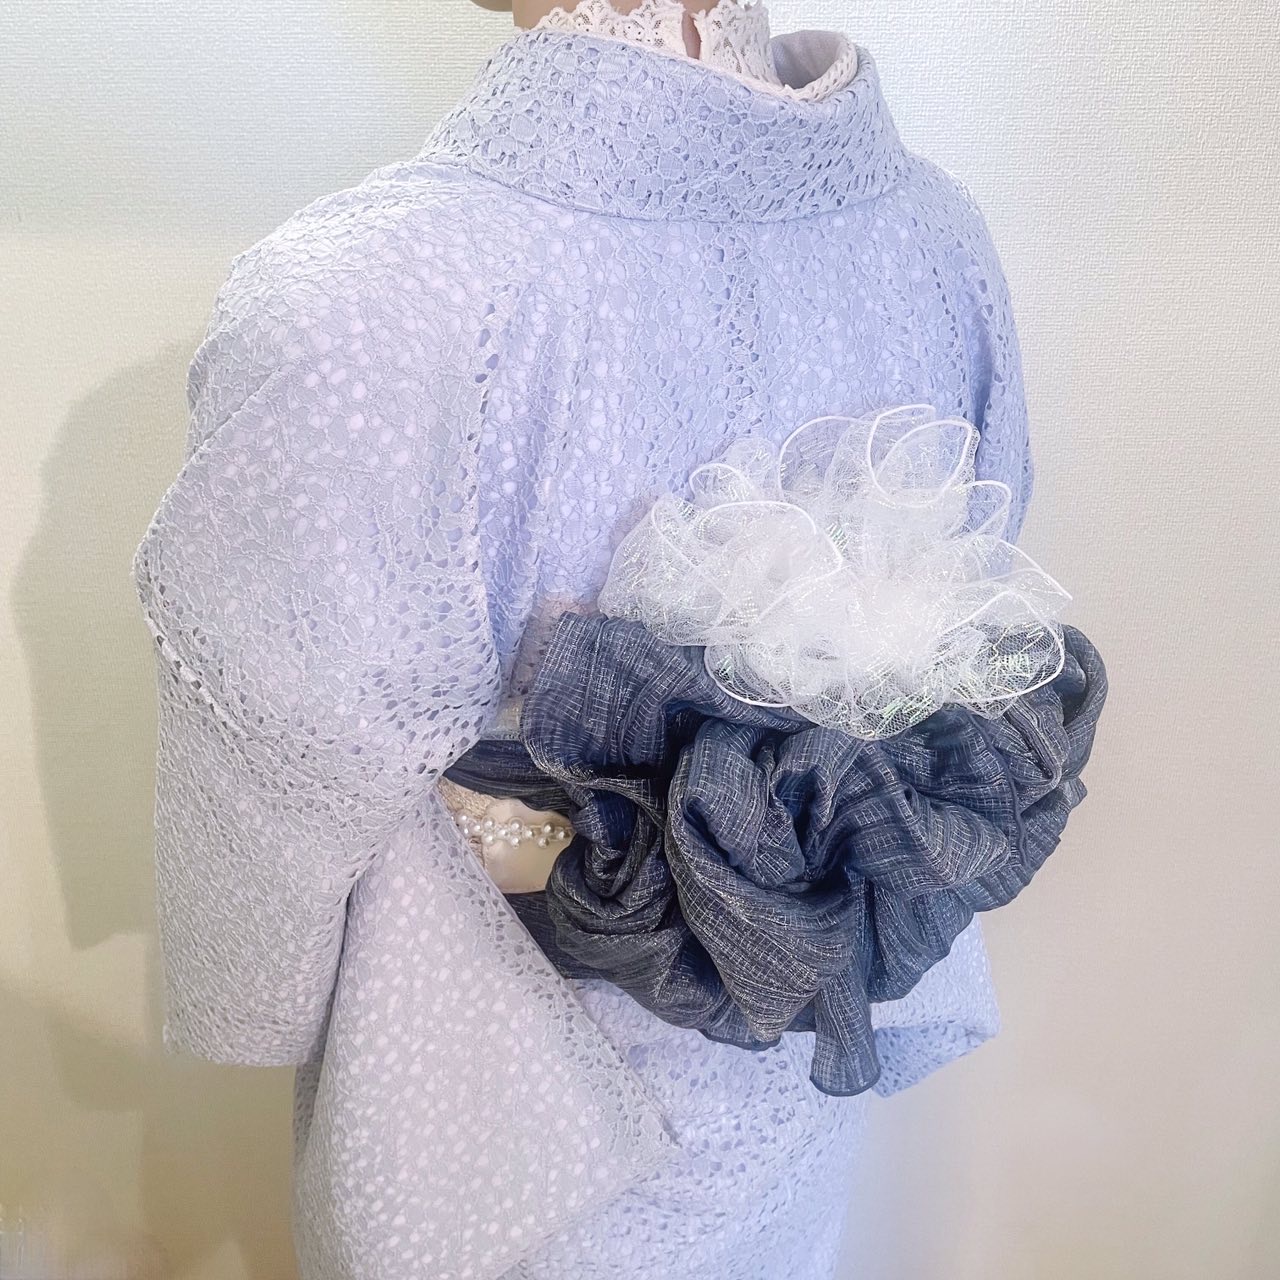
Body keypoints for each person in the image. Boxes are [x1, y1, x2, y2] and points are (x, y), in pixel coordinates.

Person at [132, 2, 1061, 1277]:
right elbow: (977, 581)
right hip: (788, 1044)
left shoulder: (371, 294)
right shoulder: (935, 241)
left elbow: (276, 743)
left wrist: (254, 987)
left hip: (487, 1094)